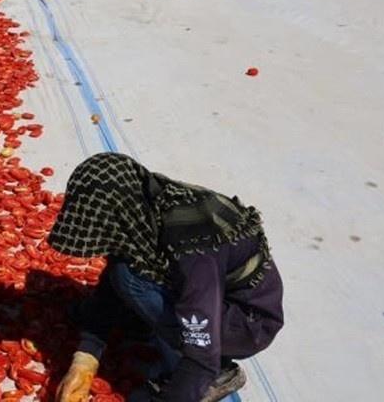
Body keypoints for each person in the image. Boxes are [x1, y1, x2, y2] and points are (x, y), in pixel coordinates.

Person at [48, 153, 284, 402]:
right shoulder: (151, 201)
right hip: (219, 293)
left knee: (131, 278)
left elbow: (201, 355)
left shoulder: (193, 251)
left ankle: (220, 373)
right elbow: (117, 268)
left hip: (247, 323)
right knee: (125, 269)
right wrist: (87, 356)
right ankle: (143, 322)